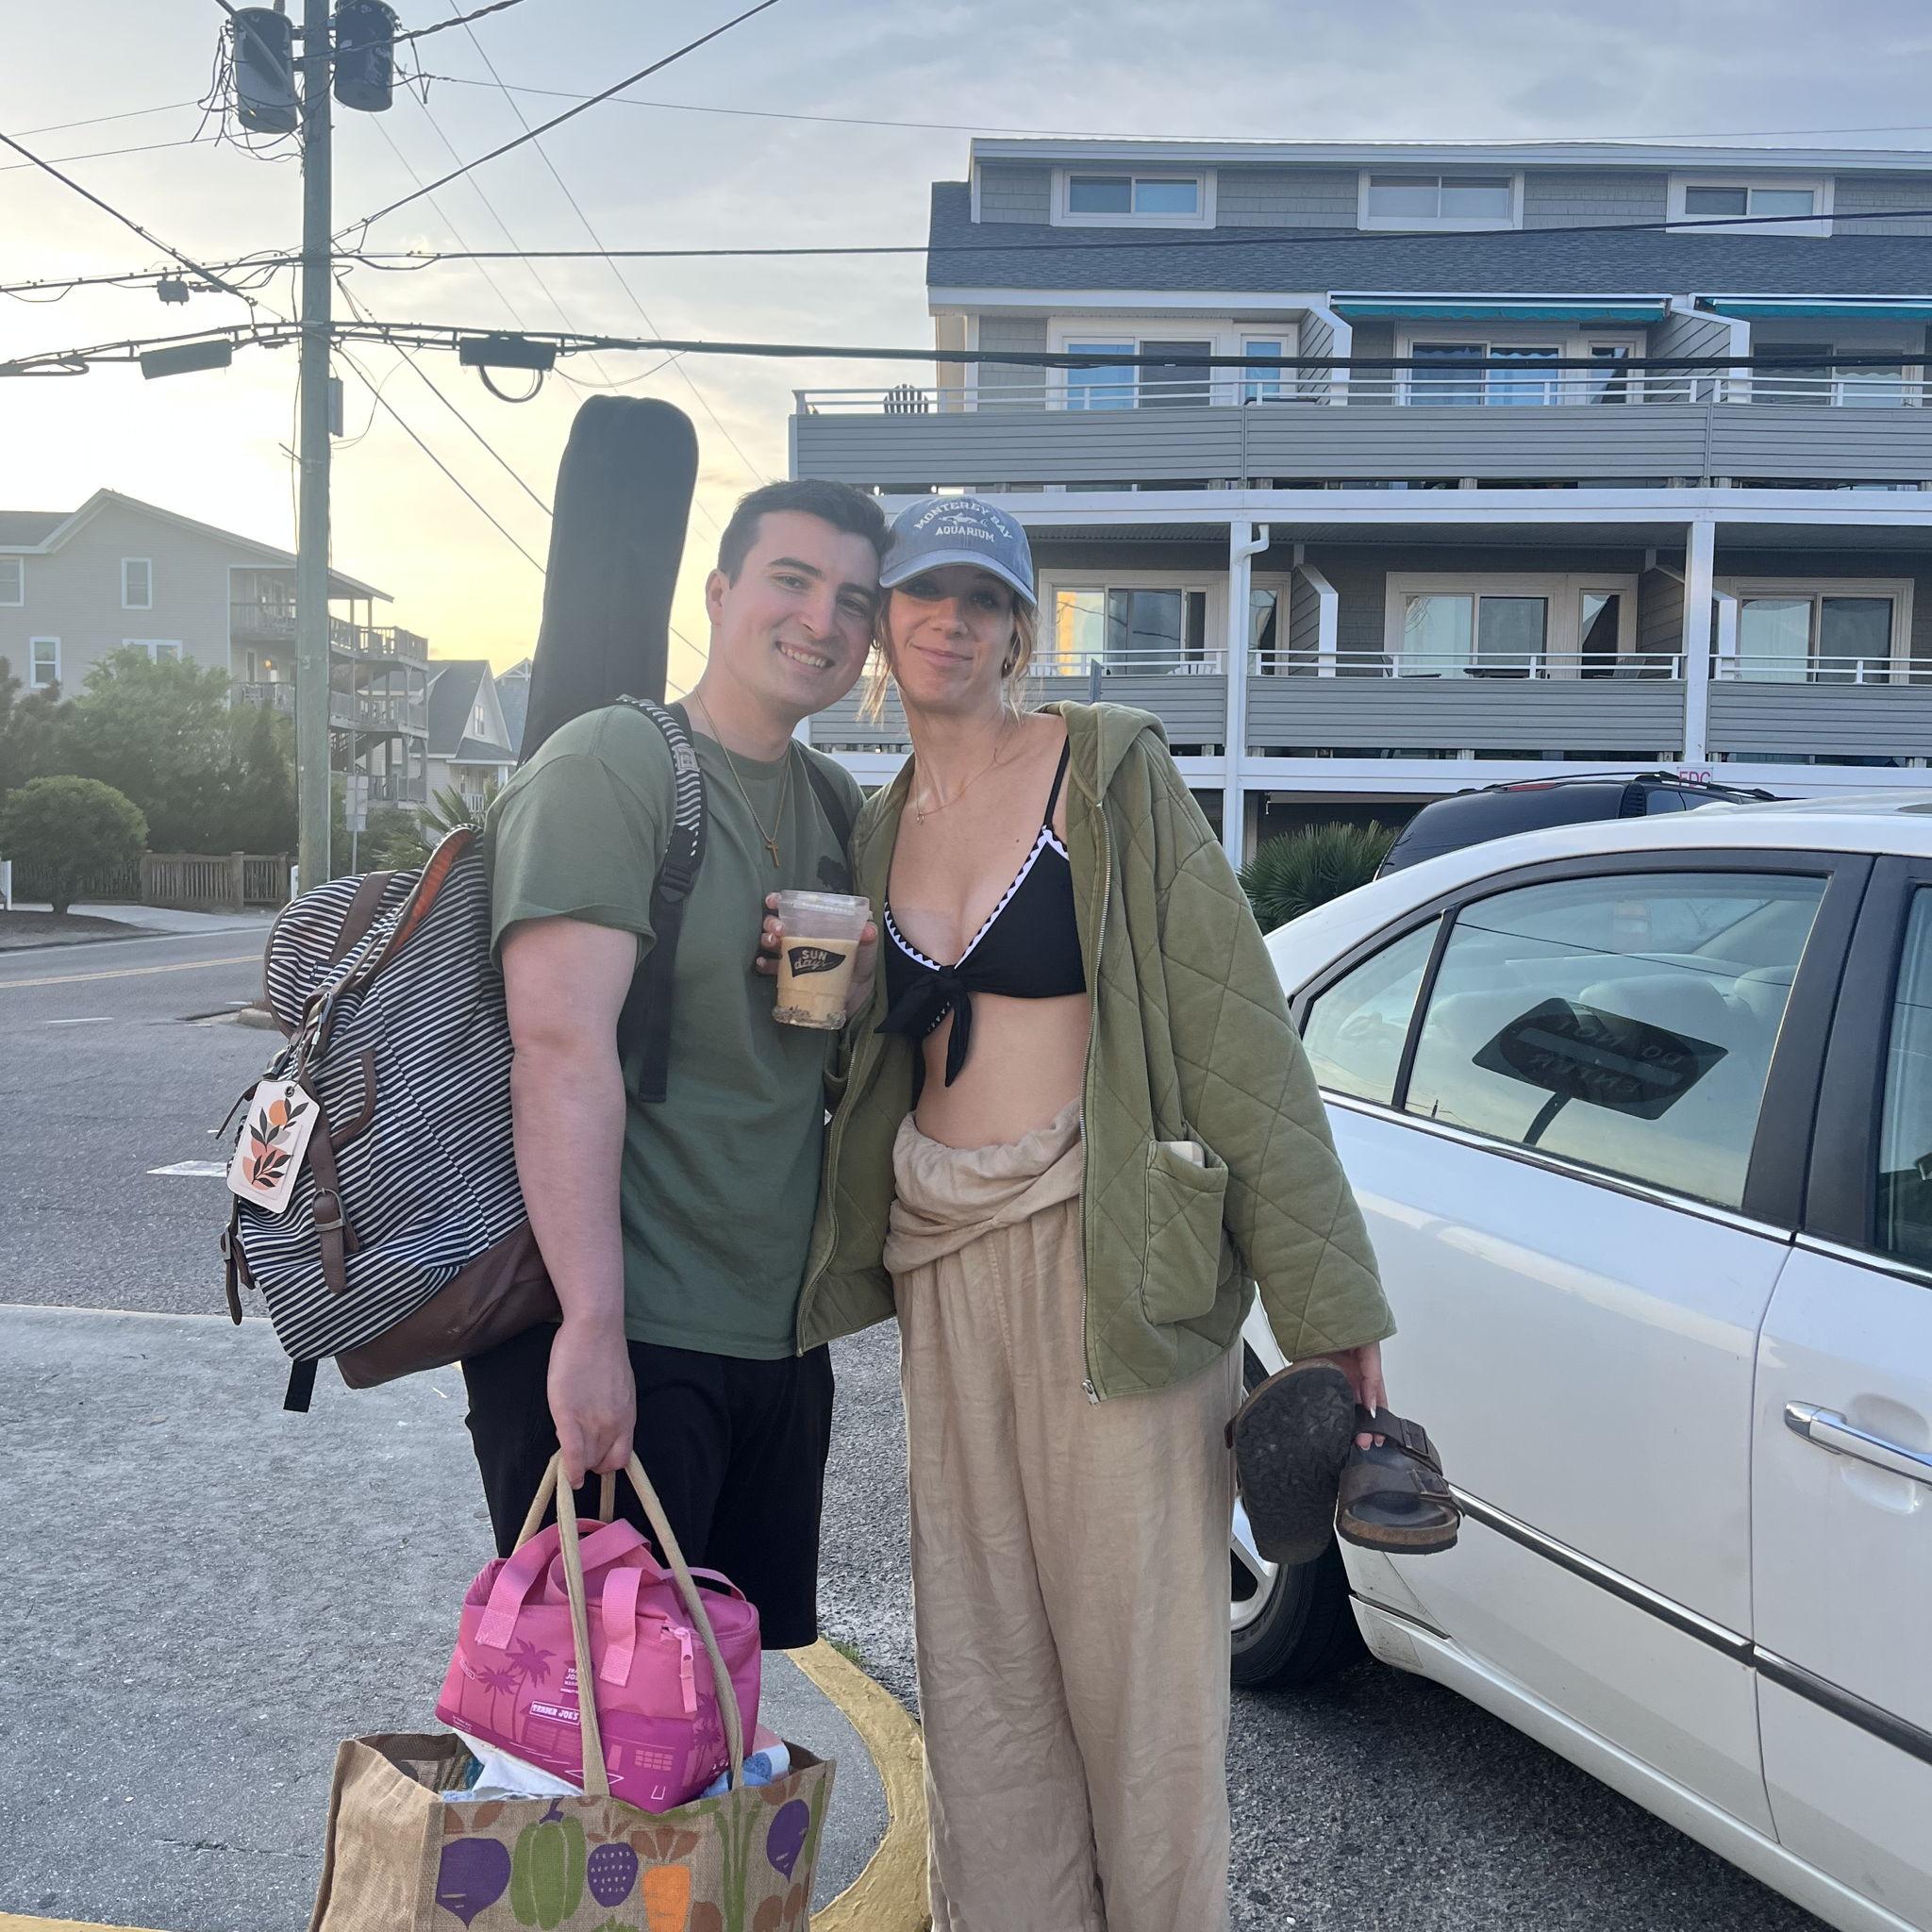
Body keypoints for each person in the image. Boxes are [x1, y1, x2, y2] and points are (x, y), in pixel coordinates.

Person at [786, 496, 1396, 1930]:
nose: (950, 621)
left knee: (1142, 1684)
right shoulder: (873, 828)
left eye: (982, 599)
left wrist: (1334, 1320)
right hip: (941, 1264)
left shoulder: (1104, 773)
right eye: (923, 594)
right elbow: (868, 1065)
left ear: (1018, 628)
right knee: (983, 1672)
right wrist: (847, 998)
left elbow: (1238, 1036)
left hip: (1107, 1255)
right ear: (885, 624)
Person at [463, 477, 886, 1654]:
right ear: (718, 591)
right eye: (790, 579)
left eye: (853, 599)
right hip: (631, 1324)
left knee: (714, 1705)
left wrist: (854, 996)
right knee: (593, 1714)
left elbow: (815, 1066)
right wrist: (591, 1328)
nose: (821, 618)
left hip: (775, 1337)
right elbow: (557, 1051)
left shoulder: (829, 799)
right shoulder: (613, 764)